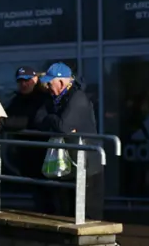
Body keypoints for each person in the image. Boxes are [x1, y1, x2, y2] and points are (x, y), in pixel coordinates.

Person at [35, 62, 103, 220]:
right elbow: (38, 120)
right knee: (66, 211)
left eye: (50, 83)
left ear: (61, 82)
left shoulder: (78, 98)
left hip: (87, 166)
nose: (48, 87)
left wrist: (52, 120)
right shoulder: (55, 99)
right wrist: (55, 120)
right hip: (69, 164)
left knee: (87, 215)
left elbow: (63, 126)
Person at [0, 66, 49, 214]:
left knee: (47, 192)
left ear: (34, 80)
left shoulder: (42, 99)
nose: (23, 84)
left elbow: (28, 120)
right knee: (37, 192)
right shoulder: (17, 99)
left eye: (27, 80)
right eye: (20, 81)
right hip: (25, 154)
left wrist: (1, 122)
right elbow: (10, 116)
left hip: (42, 153)